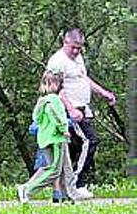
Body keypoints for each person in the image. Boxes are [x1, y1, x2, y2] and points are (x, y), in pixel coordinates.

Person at [46, 28, 117, 199]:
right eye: (73, 48)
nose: (77, 51)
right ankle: (75, 184)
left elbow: (83, 78)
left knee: (76, 147)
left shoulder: (78, 59)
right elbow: (55, 89)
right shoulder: (57, 61)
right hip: (69, 110)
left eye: (80, 48)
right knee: (89, 141)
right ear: (65, 42)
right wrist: (71, 109)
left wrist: (103, 92)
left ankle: (67, 188)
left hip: (83, 108)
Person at [17, 70, 75, 203]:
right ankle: (28, 189)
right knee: (54, 170)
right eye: (60, 83)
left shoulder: (41, 100)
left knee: (65, 168)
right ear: (54, 84)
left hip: (45, 138)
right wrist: (63, 129)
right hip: (56, 138)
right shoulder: (54, 100)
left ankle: (67, 197)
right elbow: (56, 115)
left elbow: (36, 118)